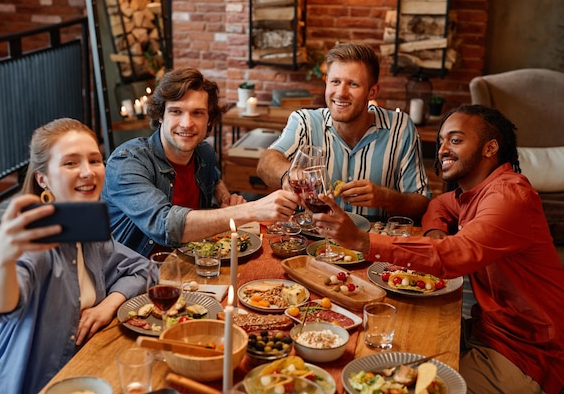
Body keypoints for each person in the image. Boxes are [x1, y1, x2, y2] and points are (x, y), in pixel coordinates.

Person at [315, 104, 564, 394]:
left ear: (490, 148)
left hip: (526, 355)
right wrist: (435, 236)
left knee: (397, 385)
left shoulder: (509, 196)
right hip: (487, 332)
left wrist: (362, 241)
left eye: (456, 140)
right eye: (442, 140)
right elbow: (440, 205)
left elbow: (454, 253)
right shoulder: (476, 191)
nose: (443, 148)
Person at [0, 118, 157, 394]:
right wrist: (3, 260)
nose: (88, 172)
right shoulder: (36, 241)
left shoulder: (86, 228)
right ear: (42, 178)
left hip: (85, 374)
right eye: (71, 163)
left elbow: (145, 269)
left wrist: (107, 305)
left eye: (95, 160)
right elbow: (1, 305)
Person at [102, 67, 299, 256]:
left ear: (209, 120)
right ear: (161, 115)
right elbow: (166, 226)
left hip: (191, 263)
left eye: (197, 113)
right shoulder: (126, 162)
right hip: (132, 278)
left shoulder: (203, 152)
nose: (187, 124)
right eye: (176, 112)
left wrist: (224, 198)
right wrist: (251, 210)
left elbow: (214, 178)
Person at [257, 42, 430, 221]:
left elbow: (421, 203)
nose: (341, 93)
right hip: (312, 241)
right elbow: (265, 162)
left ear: (372, 91)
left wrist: (385, 198)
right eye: (335, 82)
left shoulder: (400, 128)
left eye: (353, 84)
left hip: (373, 242)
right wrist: (288, 174)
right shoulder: (305, 122)